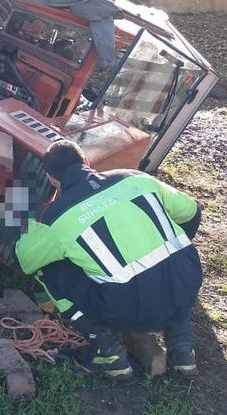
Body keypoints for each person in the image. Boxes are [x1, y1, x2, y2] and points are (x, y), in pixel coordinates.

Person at [15, 140, 203, 378]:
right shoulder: (136, 179)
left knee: (49, 269)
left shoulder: (56, 218)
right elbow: (192, 211)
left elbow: (26, 260)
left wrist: (24, 221)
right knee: (169, 266)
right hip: (186, 286)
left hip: (128, 309)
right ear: (86, 161)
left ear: (52, 179)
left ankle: (107, 351)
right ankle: (183, 351)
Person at [48, 0, 121, 69]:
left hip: (58, 1)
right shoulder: (101, 13)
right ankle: (108, 61)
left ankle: (108, 61)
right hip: (69, 2)